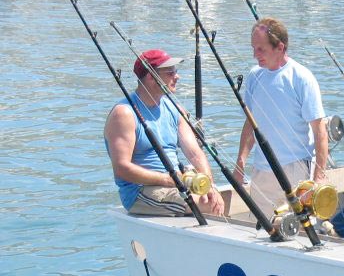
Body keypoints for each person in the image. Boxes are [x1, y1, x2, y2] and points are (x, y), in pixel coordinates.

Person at [104, 49, 224, 217]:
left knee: (219, 197)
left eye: (176, 71)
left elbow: (195, 154)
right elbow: (121, 169)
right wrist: (168, 180)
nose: (177, 76)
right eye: (170, 73)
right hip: (141, 192)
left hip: (176, 183)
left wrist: (209, 184)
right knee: (206, 204)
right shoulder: (124, 114)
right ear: (151, 77)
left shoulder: (175, 109)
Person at [235, 17, 329, 214]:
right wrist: (240, 162)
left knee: (299, 231)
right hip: (262, 171)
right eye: (253, 48)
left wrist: (319, 177)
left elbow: (320, 130)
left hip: (296, 171)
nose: (255, 55)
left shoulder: (302, 78)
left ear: (280, 47)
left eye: (261, 49)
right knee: (264, 232)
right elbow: (250, 124)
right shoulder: (254, 76)